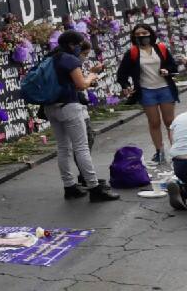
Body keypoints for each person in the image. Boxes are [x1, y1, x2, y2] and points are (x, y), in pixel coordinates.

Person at [45, 30, 119, 202]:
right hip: (69, 107)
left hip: (51, 107)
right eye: (79, 45)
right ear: (72, 45)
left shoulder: (50, 58)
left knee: (63, 148)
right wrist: (92, 75)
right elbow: (81, 84)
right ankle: (94, 187)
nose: (80, 48)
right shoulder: (70, 59)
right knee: (81, 147)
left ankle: (69, 186)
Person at [116, 23, 180, 164]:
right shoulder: (132, 53)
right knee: (154, 122)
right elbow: (122, 73)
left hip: (165, 88)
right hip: (146, 91)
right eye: (137, 34)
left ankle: (177, 151)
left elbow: (173, 65)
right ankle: (160, 151)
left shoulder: (161, 48)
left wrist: (166, 70)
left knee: (170, 122)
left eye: (144, 33)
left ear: (150, 33)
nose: (141, 36)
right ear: (133, 37)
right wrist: (126, 85)